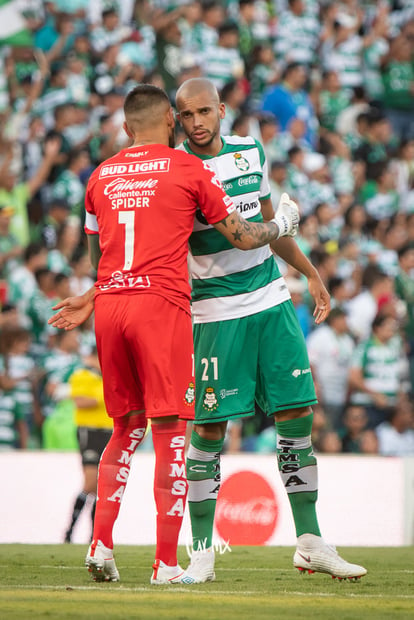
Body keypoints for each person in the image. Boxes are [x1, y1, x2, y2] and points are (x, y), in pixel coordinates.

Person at [48, 83, 300, 584]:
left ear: (124, 128)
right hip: (160, 306)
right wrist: (284, 223)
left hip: (110, 306)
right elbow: (242, 235)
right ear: (170, 121)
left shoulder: (100, 177)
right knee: (169, 431)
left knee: (124, 429)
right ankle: (166, 563)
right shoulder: (189, 167)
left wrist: (91, 297)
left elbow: (103, 259)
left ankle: (100, 544)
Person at [174, 78, 366, 582]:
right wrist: (283, 226)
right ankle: (200, 552)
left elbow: (263, 221)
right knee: (211, 427)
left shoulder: (248, 152)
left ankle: (309, 541)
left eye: (203, 112)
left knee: (296, 413)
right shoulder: (179, 169)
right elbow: (244, 231)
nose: (195, 123)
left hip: (271, 300)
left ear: (221, 110)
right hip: (216, 312)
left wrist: (309, 271)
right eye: (185, 115)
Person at [64, 348, 113, 544]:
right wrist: (105, 395)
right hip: (90, 431)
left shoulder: (109, 376)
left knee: (101, 486)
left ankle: (94, 536)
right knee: (91, 482)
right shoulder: (82, 375)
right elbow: (80, 401)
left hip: (109, 432)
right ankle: (70, 531)